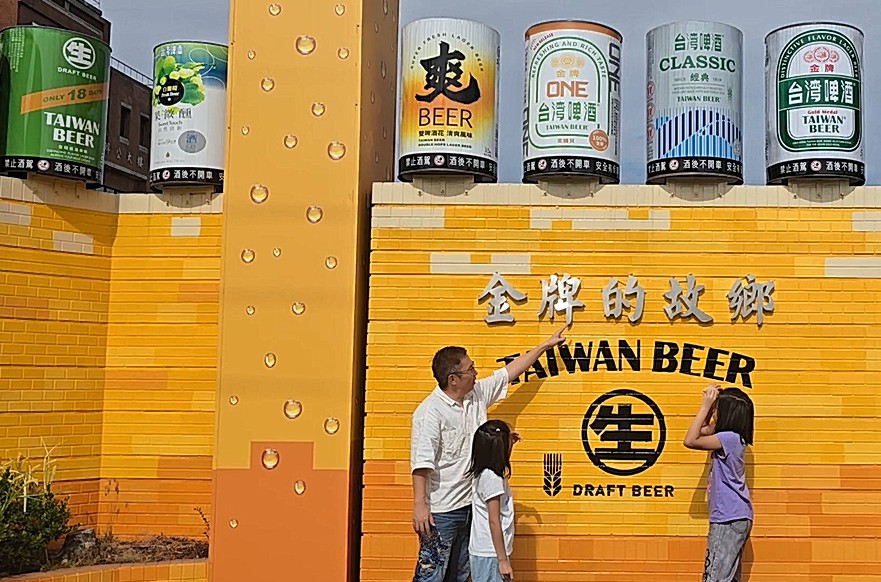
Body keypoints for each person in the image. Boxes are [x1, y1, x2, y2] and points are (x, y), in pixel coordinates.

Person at [410, 326, 567, 582]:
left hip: (471, 506)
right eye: (470, 369)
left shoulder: (476, 395)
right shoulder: (430, 413)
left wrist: (544, 346)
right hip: (442, 512)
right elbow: (422, 462)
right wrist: (419, 505)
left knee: (460, 575)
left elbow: (508, 373)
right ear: (453, 379)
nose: (475, 373)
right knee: (431, 576)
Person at [683, 383, 755, 582]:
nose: (714, 412)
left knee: (714, 578)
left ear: (727, 413)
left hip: (727, 517)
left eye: (717, 409)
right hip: (735, 515)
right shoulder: (733, 437)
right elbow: (702, 430)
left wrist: (705, 405)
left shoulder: (727, 438)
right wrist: (709, 408)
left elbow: (690, 440)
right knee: (727, 578)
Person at [467, 419, 518, 582]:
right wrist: (502, 561)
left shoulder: (485, 473)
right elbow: (494, 521)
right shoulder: (492, 479)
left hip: (488, 551)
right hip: (492, 553)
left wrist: (510, 442)